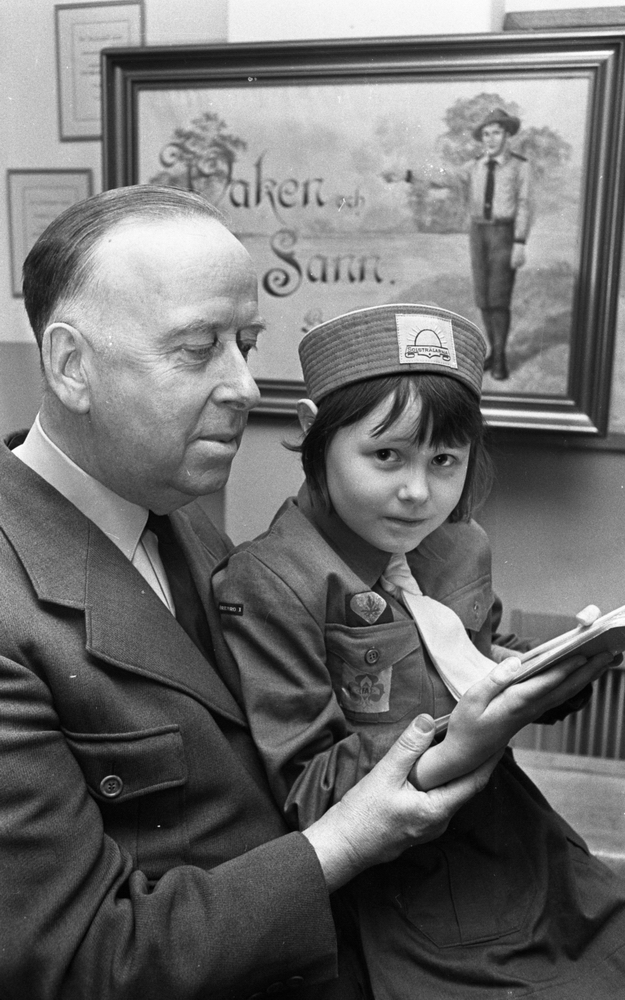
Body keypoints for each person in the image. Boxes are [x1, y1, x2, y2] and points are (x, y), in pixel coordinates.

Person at [0, 185, 506, 1000]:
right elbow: (77, 960)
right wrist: (343, 841)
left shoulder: (181, 517)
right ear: (70, 365)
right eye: (198, 349)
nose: (242, 386)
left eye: (245, 342)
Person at [213, 302, 625, 998]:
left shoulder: (458, 545)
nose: (416, 492)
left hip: (522, 844)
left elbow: (481, 654)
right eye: (385, 456)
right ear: (313, 431)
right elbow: (311, 792)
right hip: (398, 881)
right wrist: (459, 743)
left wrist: (564, 664)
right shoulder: (268, 582)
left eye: (444, 460)